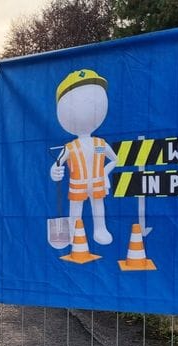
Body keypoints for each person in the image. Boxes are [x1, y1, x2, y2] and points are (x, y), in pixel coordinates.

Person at [49, 69, 115, 245]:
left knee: (98, 206)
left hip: (97, 182)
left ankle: (100, 229)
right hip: (77, 184)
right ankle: (73, 232)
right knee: (76, 209)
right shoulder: (70, 147)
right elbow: (58, 163)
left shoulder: (100, 144)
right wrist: (54, 171)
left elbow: (115, 159)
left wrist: (105, 172)